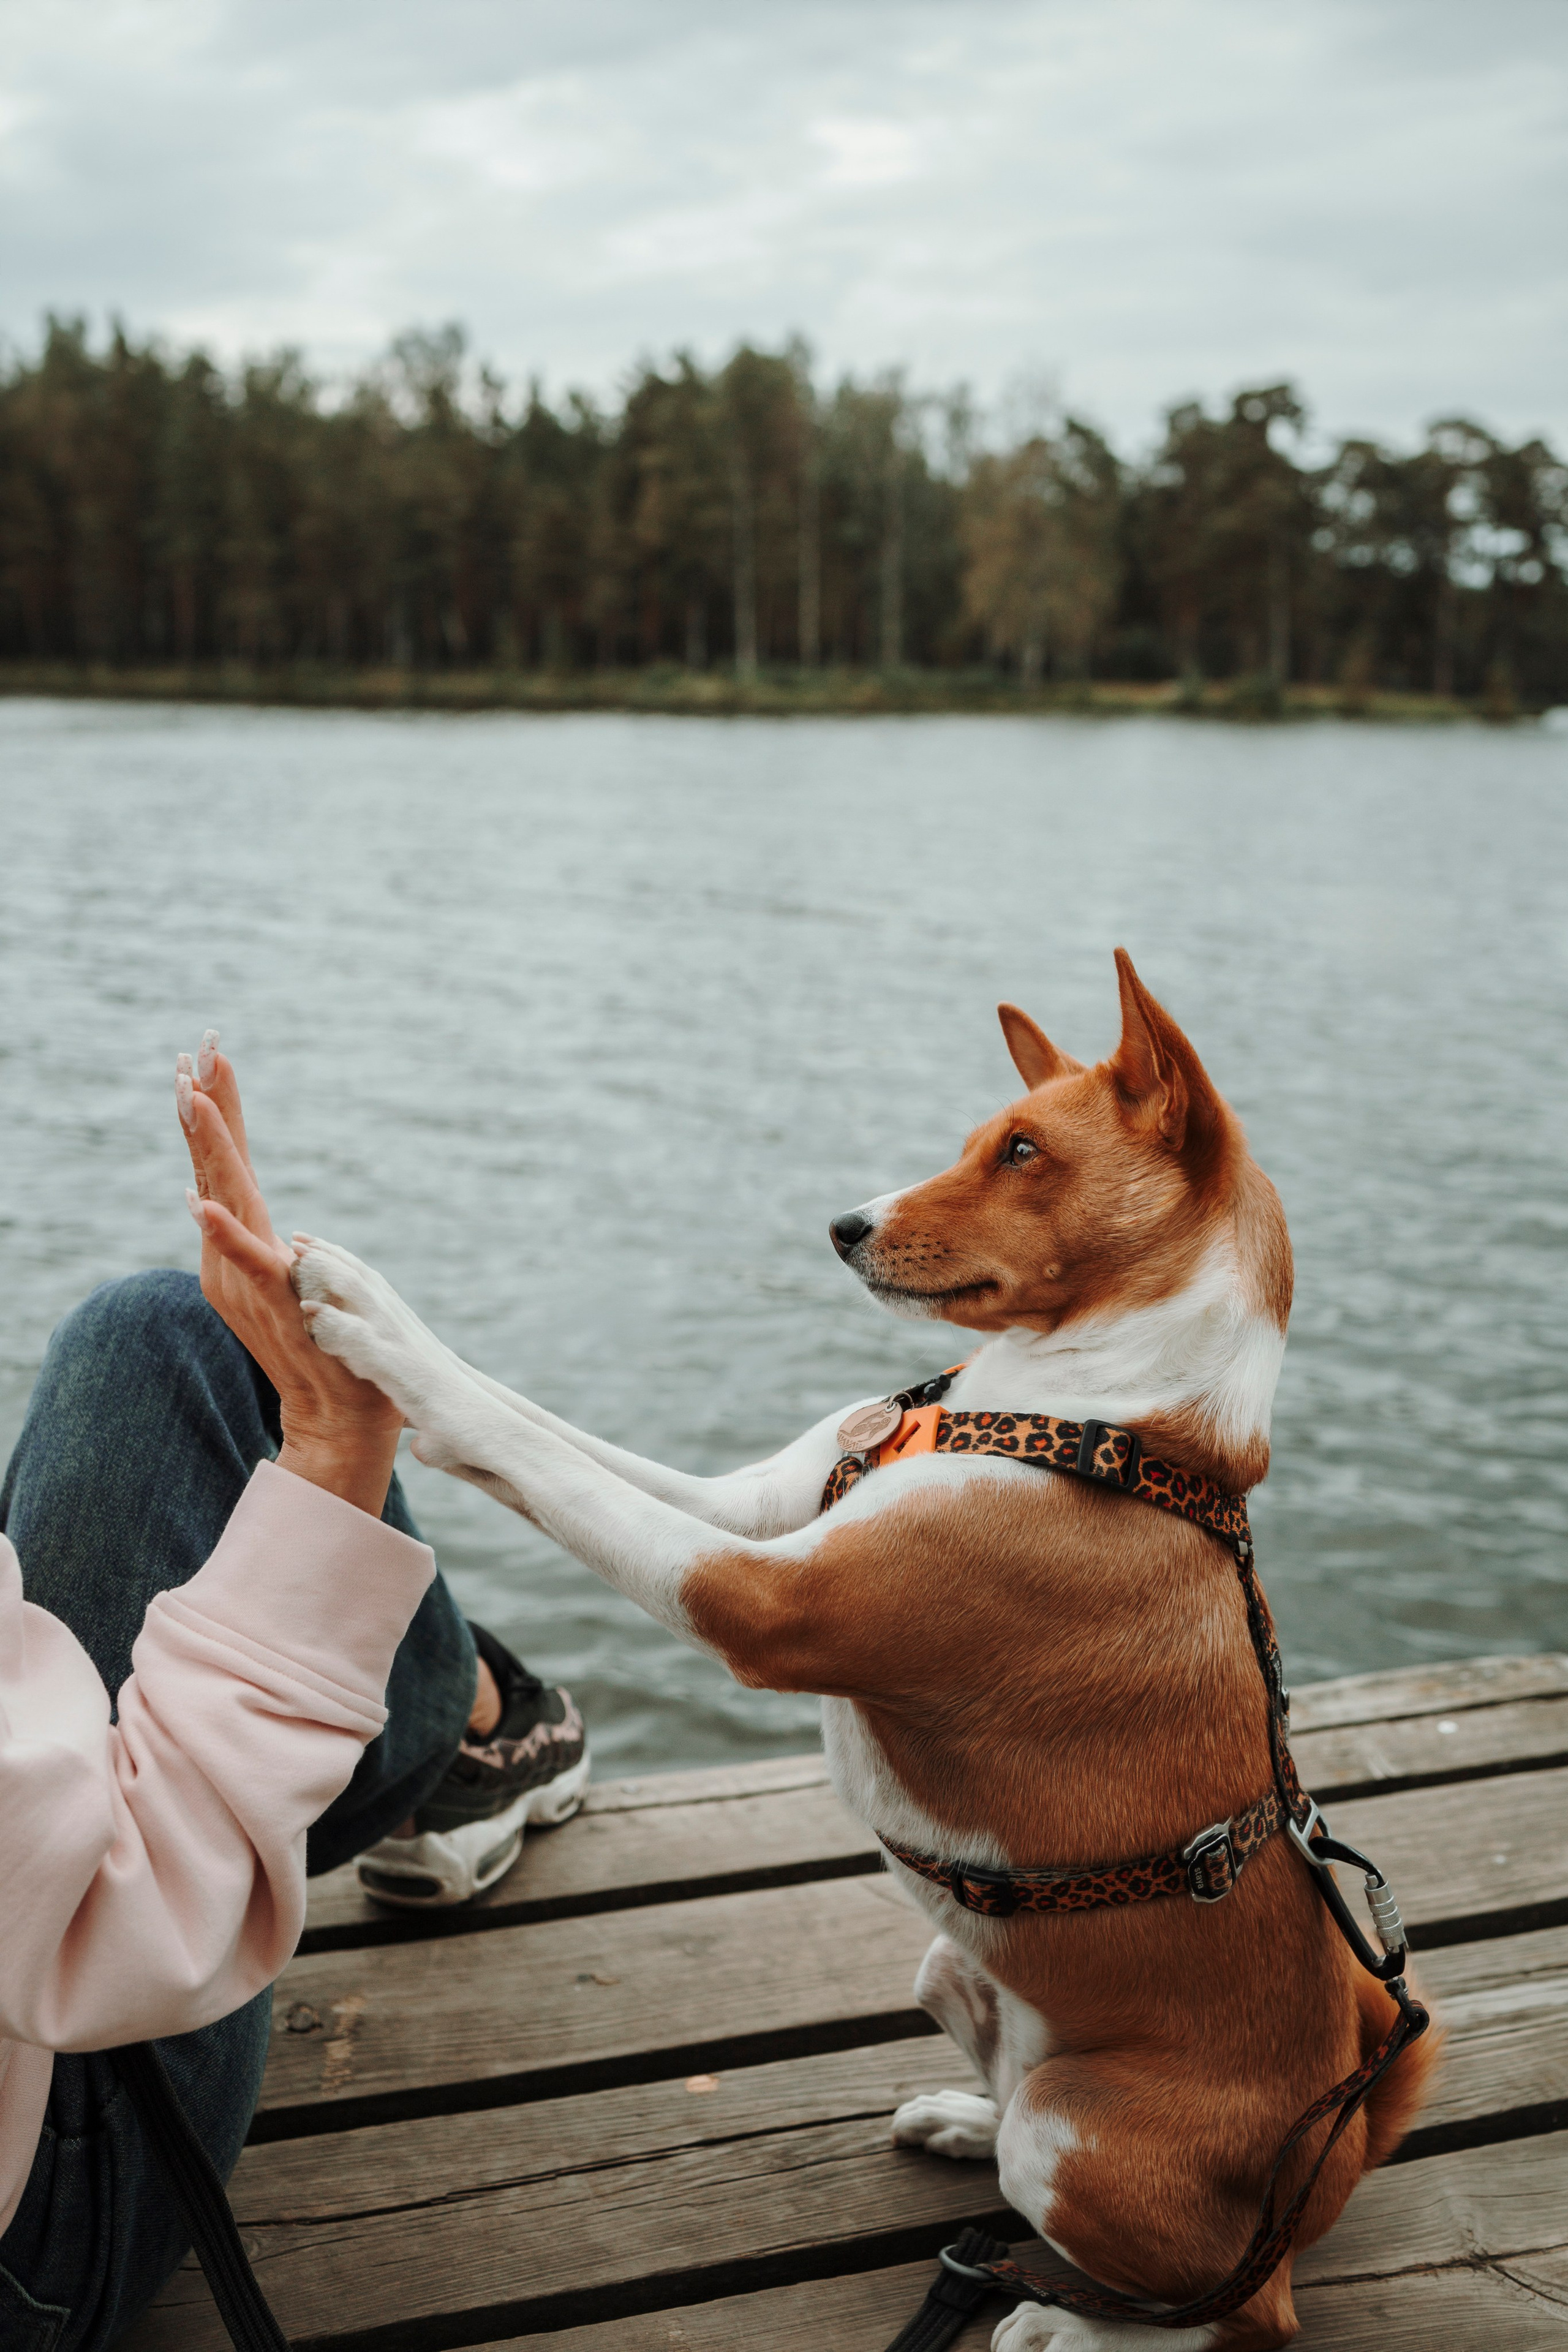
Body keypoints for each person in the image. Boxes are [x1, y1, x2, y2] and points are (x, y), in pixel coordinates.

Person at [0, 1039, 584, 2351]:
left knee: (164, 1344)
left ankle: (463, 1707)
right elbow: (129, 1918)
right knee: (175, 1336)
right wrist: (333, 1457)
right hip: (43, 2221)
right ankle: (472, 1719)